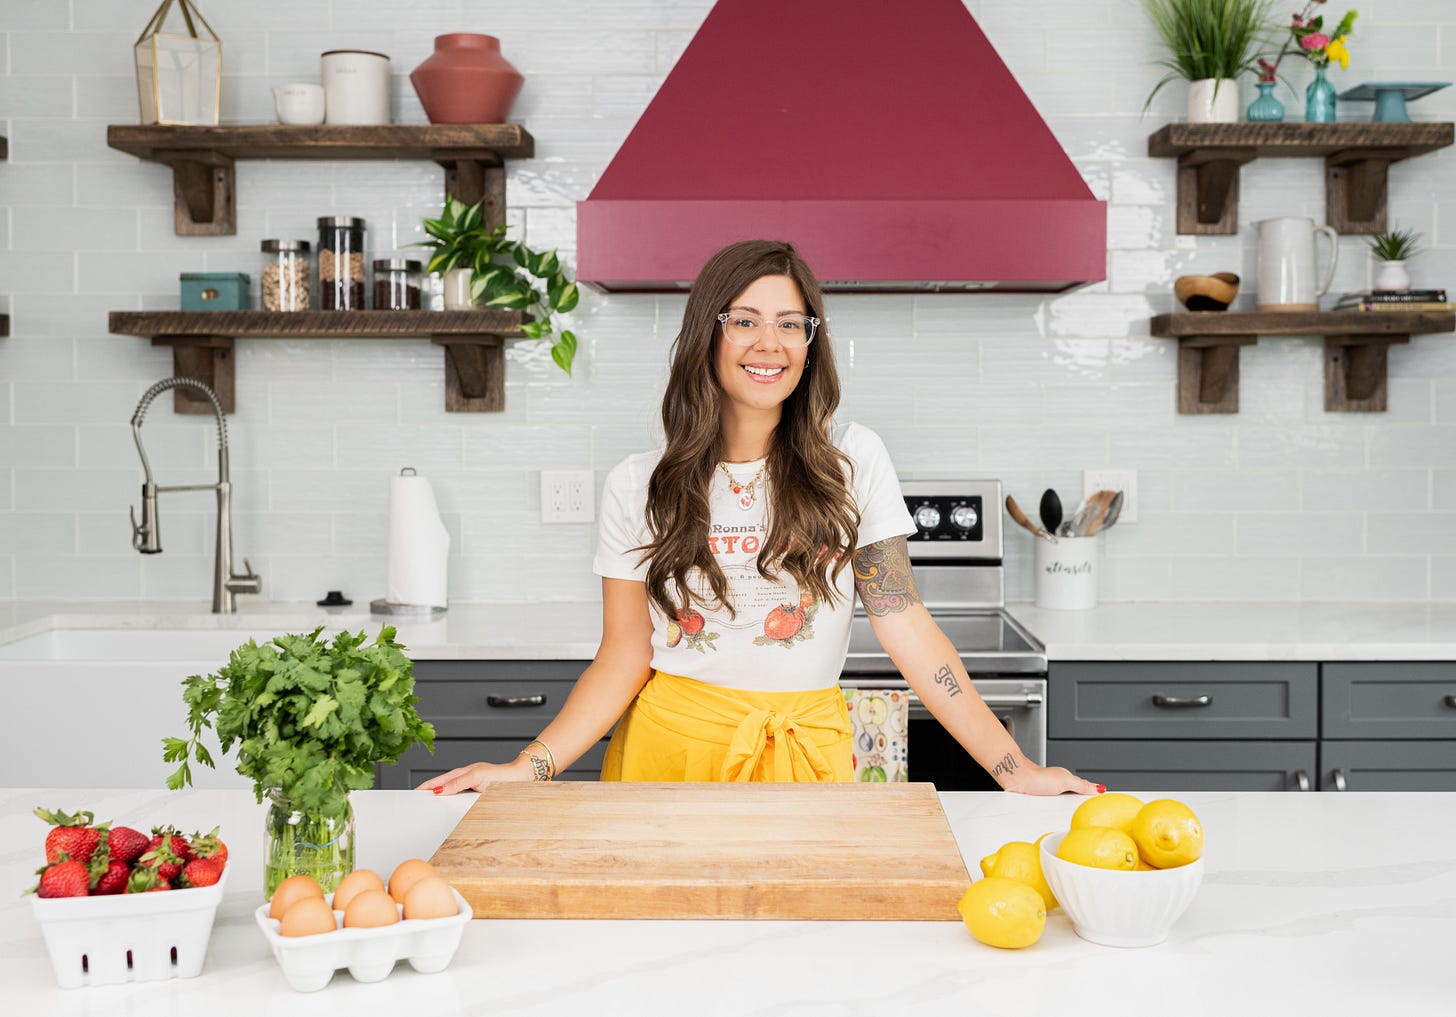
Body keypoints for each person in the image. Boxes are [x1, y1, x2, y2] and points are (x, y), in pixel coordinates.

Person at [421, 239, 1100, 796]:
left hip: (809, 753)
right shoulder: (640, 484)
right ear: (707, 334)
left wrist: (1014, 769)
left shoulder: (852, 461)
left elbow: (908, 627)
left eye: (790, 323)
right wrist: (527, 768)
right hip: (672, 754)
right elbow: (624, 655)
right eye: (744, 320)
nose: (768, 342)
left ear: (811, 343)